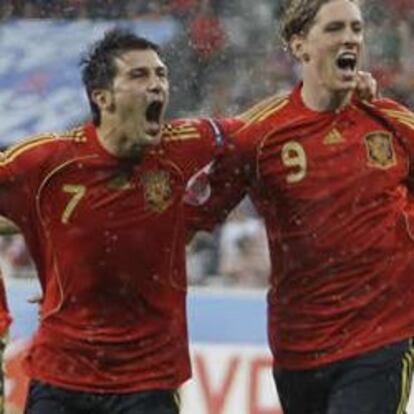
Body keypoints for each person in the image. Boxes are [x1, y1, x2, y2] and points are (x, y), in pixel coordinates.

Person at [186, 0, 414, 413]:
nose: (350, 38)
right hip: (298, 347)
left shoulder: (393, 124)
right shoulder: (259, 134)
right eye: (335, 29)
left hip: (381, 337)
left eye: (356, 29)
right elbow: (193, 217)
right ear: (299, 46)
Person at [0, 28, 240, 414]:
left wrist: (198, 217)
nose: (157, 84)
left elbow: (257, 140)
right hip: (61, 376)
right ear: (102, 97)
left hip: (149, 381)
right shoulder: (48, 161)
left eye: (161, 74)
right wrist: (47, 242)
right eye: (139, 75)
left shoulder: (183, 144)